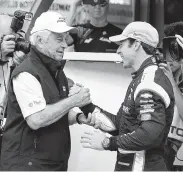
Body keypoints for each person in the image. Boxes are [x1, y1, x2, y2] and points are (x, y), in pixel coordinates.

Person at [0, 11, 92, 171]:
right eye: (59, 39)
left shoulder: (55, 69)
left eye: (65, 38)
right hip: (27, 165)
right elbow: (36, 118)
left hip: (50, 164)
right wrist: (74, 101)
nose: (65, 44)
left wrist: (78, 117)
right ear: (40, 41)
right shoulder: (27, 71)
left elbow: (54, 109)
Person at [79, 21, 175, 171]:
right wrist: (85, 105)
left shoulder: (148, 81)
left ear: (136, 44)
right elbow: (120, 126)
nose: (118, 51)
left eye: (121, 44)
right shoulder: (141, 78)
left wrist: (106, 143)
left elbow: (149, 134)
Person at [159, 21, 183, 171]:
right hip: (163, 146)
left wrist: (173, 85)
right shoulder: (160, 74)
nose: (169, 56)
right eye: (167, 49)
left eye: (175, 49)